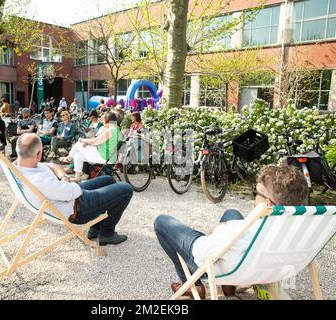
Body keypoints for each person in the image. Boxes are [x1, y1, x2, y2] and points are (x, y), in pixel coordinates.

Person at [154, 164, 309, 299]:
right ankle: (229, 286)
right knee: (232, 212)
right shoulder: (299, 232)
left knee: (162, 222)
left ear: (267, 204)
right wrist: (229, 226)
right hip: (264, 269)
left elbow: (201, 254)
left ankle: (193, 286)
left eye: (257, 194)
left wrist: (219, 232)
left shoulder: (236, 230)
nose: (254, 197)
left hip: (227, 269)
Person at [15, 133, 133, 245]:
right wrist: (69, 182)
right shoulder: (38, 181)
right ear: (39, 154)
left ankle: (95, 229)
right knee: (126, 189)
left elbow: (53, 166)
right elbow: (74, 191)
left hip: (68, 195)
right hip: (77, 208)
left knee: (107, 180)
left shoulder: (23, 166)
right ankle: (107, 234)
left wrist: (63, 177)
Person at [62, 112, 121, 182]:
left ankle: (69, 157)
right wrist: (86, 142)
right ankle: (77, 178)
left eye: (103, 120)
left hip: (103, 156)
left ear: (107, 120)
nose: (102, 121)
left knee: (78, 143)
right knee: (78, 155)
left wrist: (82, 140)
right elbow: (97, 141)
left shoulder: (111, 130)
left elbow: (95, 141)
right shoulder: (116, 129)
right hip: (108, 156)